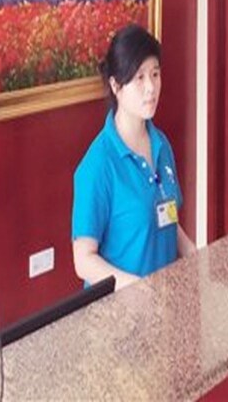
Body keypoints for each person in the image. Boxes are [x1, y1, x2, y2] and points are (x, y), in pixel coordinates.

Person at [72, 24, 196, 289]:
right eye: (139, 78)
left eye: (155, 74)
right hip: (120, 307)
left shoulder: (161, 145)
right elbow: (83, 260)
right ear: (116, 85)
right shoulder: (97, 166)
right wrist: (135, 287)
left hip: (162, 299)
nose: (151, 88)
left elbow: (167, 219)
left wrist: (197, 258)